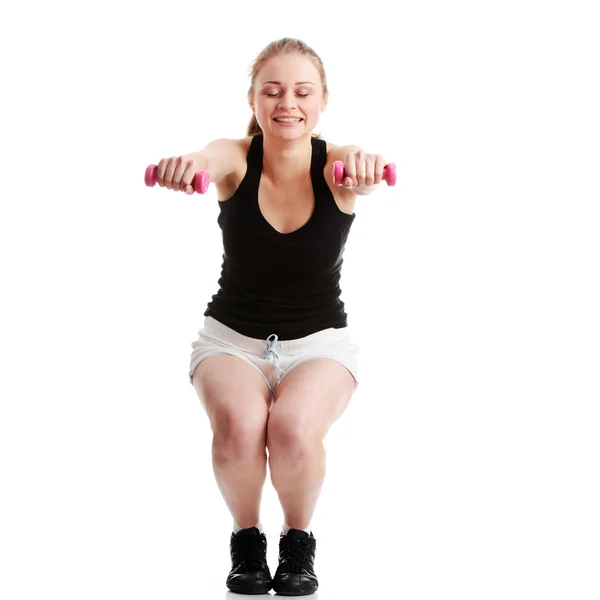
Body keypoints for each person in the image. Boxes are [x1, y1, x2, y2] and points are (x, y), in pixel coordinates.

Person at [154, 37, 389, 596]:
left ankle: (298, 543)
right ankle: (247, 540)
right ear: (255, 101)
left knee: (291, 431)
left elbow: (359, 161)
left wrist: (366, 164)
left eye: (303, 91)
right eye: (273, 91)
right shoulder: (237, 157)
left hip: (320, 345)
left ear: (323, 100)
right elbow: (210, 159)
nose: (288, 103)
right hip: (231, 340)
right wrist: (187, 165)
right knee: (238, 430)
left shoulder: (338, 165)